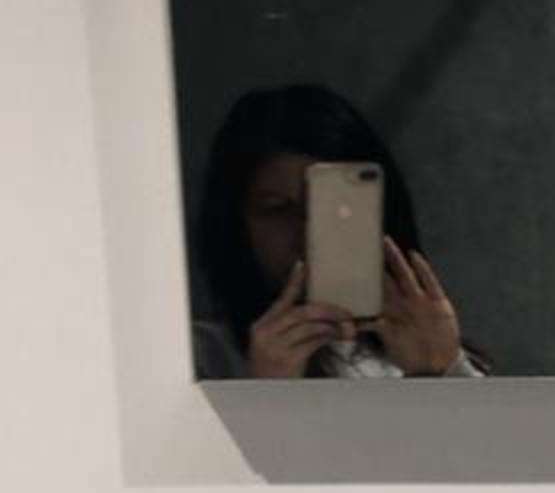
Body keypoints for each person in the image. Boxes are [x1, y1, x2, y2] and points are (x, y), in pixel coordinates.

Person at [191, 83, 484, 379]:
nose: (308, 238)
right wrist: (262, 393)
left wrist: (445, 372)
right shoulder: (197, 358)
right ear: (236, 222)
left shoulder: (423, 348)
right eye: (278, 210)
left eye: (332, 210)